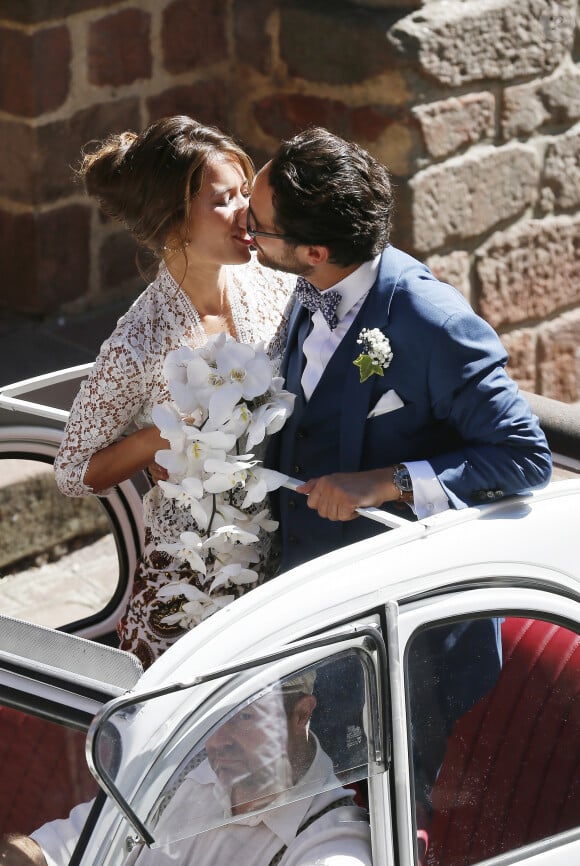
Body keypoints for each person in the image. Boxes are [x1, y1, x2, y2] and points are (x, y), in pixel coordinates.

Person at [246, 126, 552, 812]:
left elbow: (525, 456)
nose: (247, 233)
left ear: (314, 250)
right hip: (317, 615)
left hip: (411, 650)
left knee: (398, 820)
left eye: (256, 225)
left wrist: (389, 480)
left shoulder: (433, 323)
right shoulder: (308, 286)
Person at [53, 116, 295, 670]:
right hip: (190, 589)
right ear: (176, 219)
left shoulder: (277, 281)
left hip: (288, 568)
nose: (247, 213)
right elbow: (73, 470)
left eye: (244, 194)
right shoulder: (137, 343)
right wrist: (161, 437)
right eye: (225, 200)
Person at [0, 673, 372, 866]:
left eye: (243, 717)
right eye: (207, 721)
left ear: (302, 713)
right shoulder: (179, 776)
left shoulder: (333, 844)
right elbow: (65, 847)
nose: (218, 740)